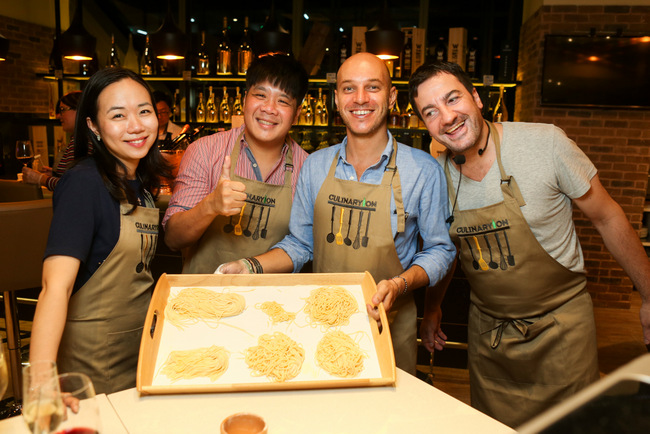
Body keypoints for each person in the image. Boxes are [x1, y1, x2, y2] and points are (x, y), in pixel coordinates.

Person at [408, 61, 650, 427]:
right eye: (431, 111)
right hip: (490, 339)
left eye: (453, 99)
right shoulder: (437, 175)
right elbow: (451, 249)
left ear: (476, 98)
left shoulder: (545, 143)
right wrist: (434, 308)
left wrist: (649, 295)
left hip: (562, 330)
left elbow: (607, 216)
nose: (447, 117)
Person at [219, 53, 456, 375]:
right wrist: (249, 266)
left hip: (389, 323)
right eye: (349, 89)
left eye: (372, 87)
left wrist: (400, 284)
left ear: (391, 96)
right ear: (336, 99)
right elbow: (302, 245)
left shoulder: (422, 171)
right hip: (321, 324)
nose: (360, 99)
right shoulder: (316, 166)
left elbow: (441, 250)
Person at [29, 68, 171, 394]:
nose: (135, 126)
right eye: (118, 115)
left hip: (139, 350)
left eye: (144, 111)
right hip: (92, 362)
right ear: (93, 125)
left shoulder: (142, 183)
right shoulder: (84, 183)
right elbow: (54, 287)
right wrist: (42, 381)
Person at [162, 54, 310, 274]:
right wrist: (210, 205)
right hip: (202, 299)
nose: (269, 108)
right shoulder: (205, 151)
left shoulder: (306, 167)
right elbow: (173, 238)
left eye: (283, 101)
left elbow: (301, 246)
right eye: (260, 95)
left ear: (296, 114)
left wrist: (251, 267)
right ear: (244, 99)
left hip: (272, 302)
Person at [22, 91, 83, 190]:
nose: (58, 116)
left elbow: (74, 186)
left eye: (63, 110)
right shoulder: (78, 139)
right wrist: (55, 174)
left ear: (80, 110)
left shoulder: (84, 142)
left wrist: (41, 179)